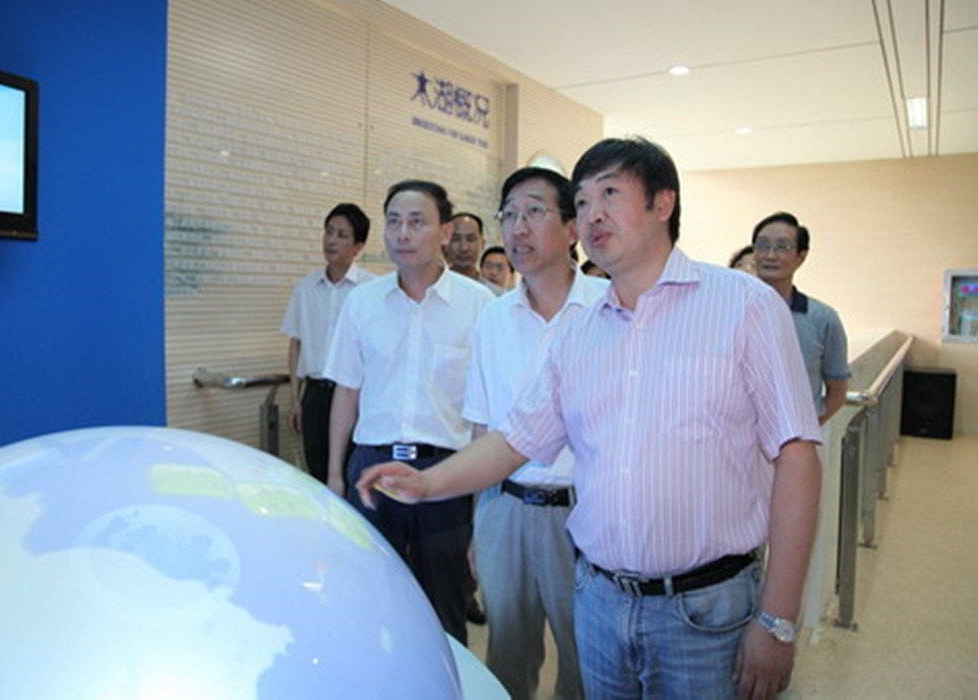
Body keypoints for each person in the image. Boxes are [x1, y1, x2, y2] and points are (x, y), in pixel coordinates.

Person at [357, 137, 823, 699]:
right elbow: (514, 440)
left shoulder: (743, 305)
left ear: (663, 203)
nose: (593, 213)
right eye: (582, 201)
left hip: (705, 609)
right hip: (601, 602)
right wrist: (428, 483)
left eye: (610, 193)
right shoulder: (580, 332)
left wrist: (778, 619)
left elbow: (797, 455)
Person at [323, 180, 494, 644]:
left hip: (447, 474)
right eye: (394, 221)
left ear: (445, 232)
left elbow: (485, 415)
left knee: (445, 610)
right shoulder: (363, 302)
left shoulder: (479, 306)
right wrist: (335, 477)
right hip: (372, 471)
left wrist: (481, 505)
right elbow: (346, 393)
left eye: (417, 222)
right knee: (372, 601)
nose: (402, 233)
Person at [465, 167, 607, 699]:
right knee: (507, 656)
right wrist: (477, 524)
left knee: (586, 658)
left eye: (533, 212)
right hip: (504, 508)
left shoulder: (609, 307)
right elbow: (482, 427)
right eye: (508, 215)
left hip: (585, 511)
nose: (517, 228)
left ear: (572, 228)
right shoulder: (492, 318)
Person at [280, 203, 374, 483]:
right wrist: (295, 399)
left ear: (358, 247)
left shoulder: (370, 291)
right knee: (318, 473)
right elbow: (296, 344)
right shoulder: (305, 288)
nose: (331, 240)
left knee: (354, 474)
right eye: (329, 232)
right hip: (316, 395)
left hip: (356, 396)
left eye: (341, 235)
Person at [752, 212, 851, 424]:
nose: (770, 255)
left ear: (801, 256)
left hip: (797, 434)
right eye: (763, 245)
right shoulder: (732, 311)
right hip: (740, 436)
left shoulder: (823, 318)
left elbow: (837, 390)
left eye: (782, 247)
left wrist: (808, 429)